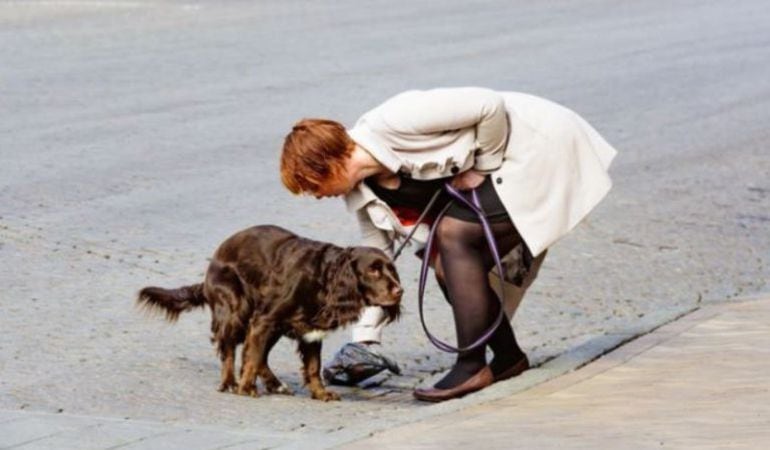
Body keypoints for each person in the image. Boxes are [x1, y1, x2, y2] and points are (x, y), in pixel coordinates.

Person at [280, 87, 617, 402]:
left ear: (330, 163)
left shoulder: (394, 119)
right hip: (504, 172)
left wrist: (483, 165)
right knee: (445, 266)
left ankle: (471, 365)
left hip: (536, 147)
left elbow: (489, 106)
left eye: (314, 186)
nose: (318, 196)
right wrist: (365, 338)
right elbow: (376, 262)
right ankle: (508, 357)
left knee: (453, 235)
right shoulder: (362, 194)